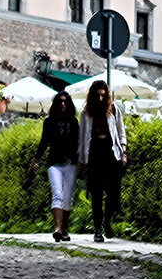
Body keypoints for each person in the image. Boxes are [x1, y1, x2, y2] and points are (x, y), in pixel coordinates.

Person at [78, 79, 127, 243]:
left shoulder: (113, 110)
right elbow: (82, 137)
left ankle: (107, 219)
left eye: (103, 95)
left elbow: (121, 132)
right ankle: (98, 229)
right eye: (97, 95)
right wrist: (81, 160)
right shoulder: (86, 113)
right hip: (93, 154)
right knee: (96, 193)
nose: (100, 99)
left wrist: (124, 152)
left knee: (114, 192)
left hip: (110, 152)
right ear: (92, 96)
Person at [29, 91, 79, 242]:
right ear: (56, 104)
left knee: (67, 197)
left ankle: (64, 229)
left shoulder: (74, 122)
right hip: (54, 163)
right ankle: (57, 228)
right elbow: (44, 142)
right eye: (59, 101)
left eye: (65, 102)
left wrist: (81, 162)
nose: (62, 104)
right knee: (57, 193)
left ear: (68, 104)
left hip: (71, 163)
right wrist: (36, 159)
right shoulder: (49, 122)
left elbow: (78, 143)